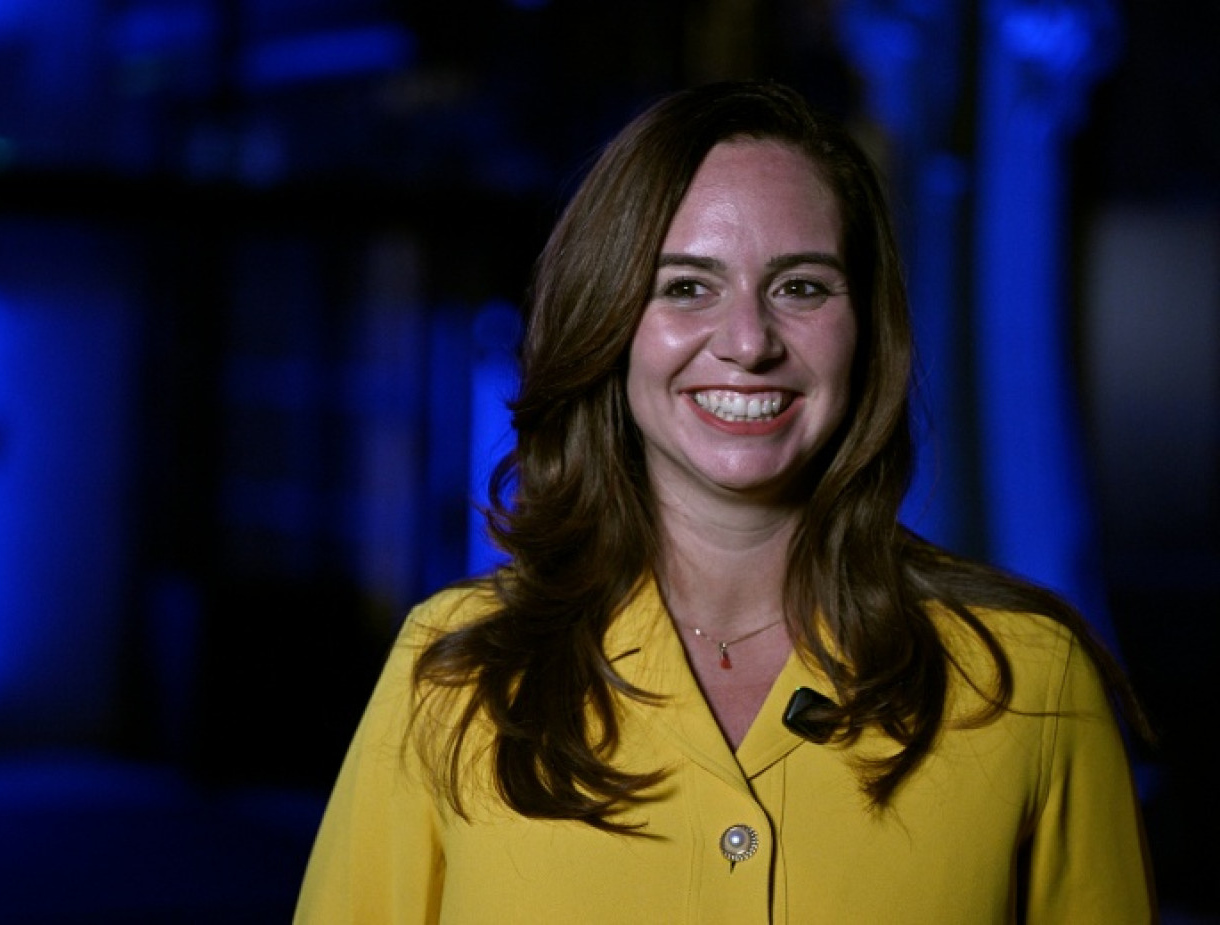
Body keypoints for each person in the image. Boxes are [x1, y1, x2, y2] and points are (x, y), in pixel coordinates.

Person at [293, 79, 1156, 923]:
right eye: (686, 286)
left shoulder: (1027, 682)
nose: (748, 342)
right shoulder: (455, 674)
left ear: (867, 330)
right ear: (611, 321)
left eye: (802, 287)